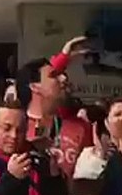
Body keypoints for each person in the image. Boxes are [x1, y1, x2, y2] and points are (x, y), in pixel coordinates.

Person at [16, 36, 93, 179]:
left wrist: (62, 60)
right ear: (34, 87)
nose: (64, 79)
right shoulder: (16, 127)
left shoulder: (81, 127)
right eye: (54, 76)